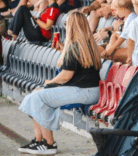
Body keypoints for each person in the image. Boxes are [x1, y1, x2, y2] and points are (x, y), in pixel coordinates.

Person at [18, 12, 101, 155]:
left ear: (71, 27)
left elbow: (65, 76)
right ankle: (39, 141)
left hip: (83, 91)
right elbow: (77, 65)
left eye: (66, 25)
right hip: (90, 91)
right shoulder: (87, 44)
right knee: (35, 94)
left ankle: (49, 144)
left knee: (38, 97)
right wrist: (63, 49)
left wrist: (50, 82)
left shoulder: (74, 47)